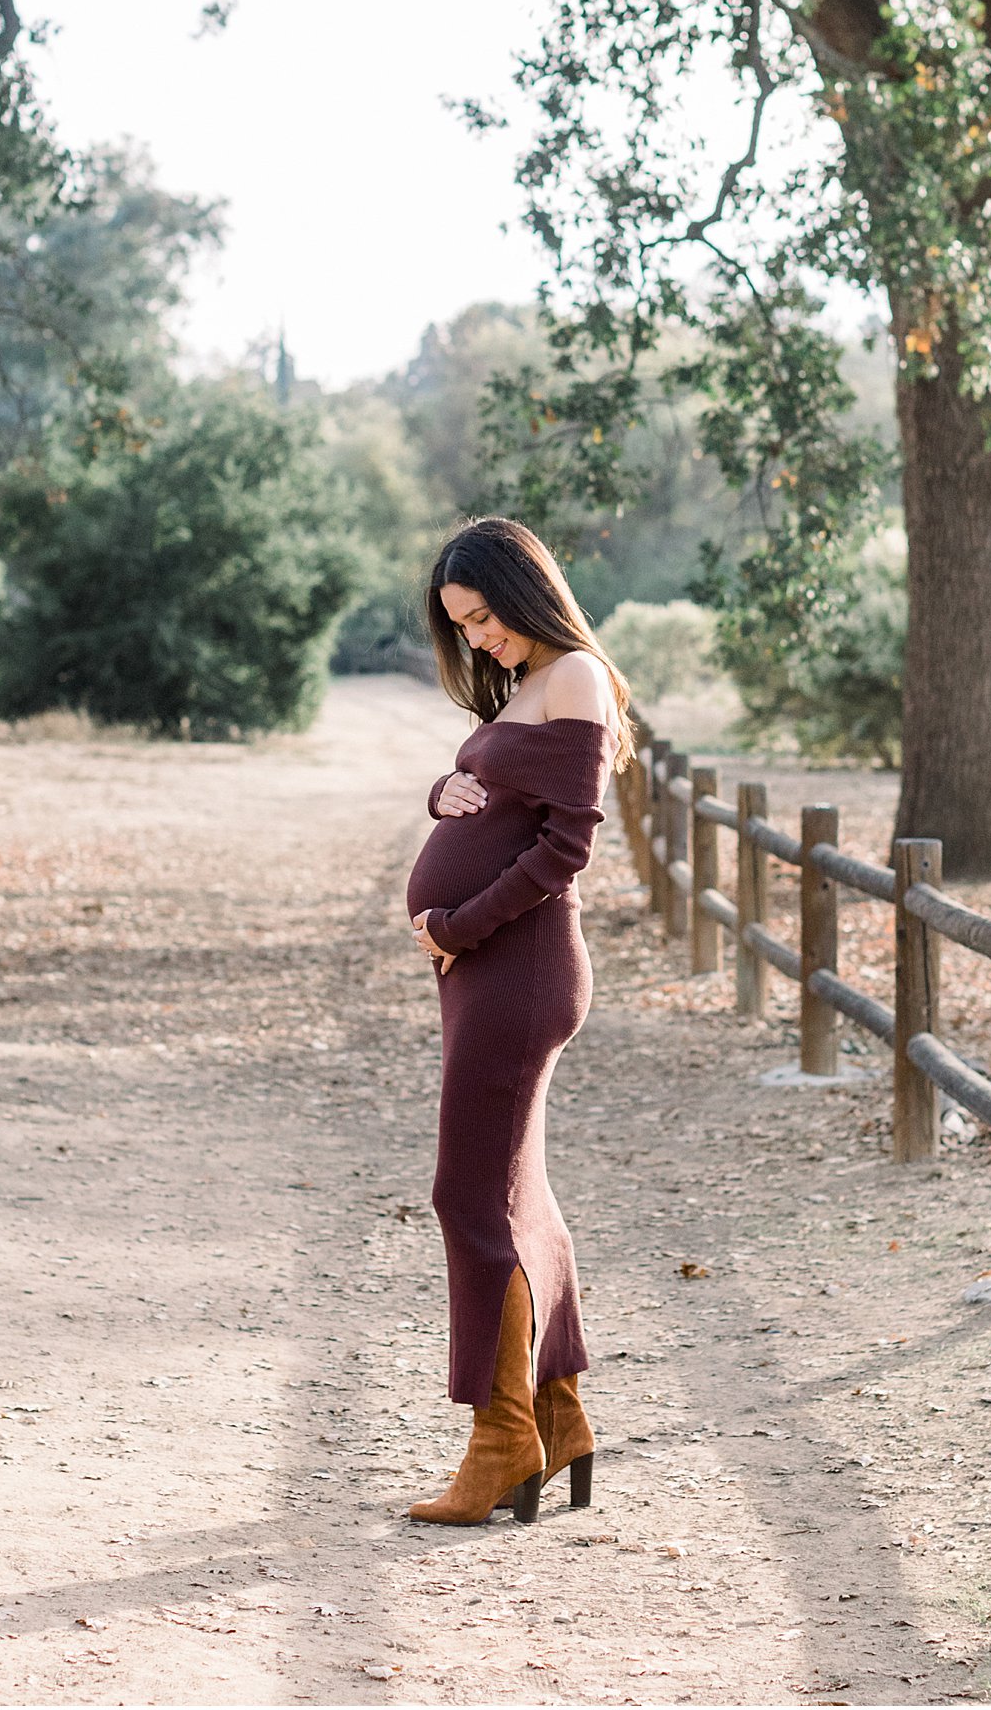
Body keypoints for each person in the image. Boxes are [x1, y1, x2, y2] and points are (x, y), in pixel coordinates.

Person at [405, 515, 637, 1525]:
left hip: (518, 967)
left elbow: (565, 849)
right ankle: (559, 1411)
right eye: (462, 627)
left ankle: (501, 1442)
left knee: (467, 1193)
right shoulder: (534, 683)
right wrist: (443, 786)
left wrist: (455, 920)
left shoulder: (576, 674)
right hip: (487, 971)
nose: (480, 640)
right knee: (517, 1192)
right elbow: (495, 795)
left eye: (485, 616)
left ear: (524, 590)